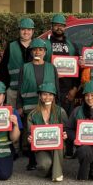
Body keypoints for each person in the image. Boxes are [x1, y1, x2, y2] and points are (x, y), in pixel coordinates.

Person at [17, 38, 59, 169]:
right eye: (35, 49)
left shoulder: (51, 67)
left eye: (41, 50)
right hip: (29, 105)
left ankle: (48, 157)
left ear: (45, 52)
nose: (37, 52)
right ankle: (31, 161)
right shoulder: (25, 67)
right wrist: (19, 106)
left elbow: (56, 88)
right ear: (31, 52)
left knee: (45, 130)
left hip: (47, 105)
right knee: (31, 133)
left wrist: (57, 105)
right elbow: (19, 88)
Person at [28, 83, 68, 182]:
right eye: (44, 94)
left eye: (50, 94)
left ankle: (57, 174)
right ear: (40, 96)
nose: (47, 97)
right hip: (41, 147)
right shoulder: (32, 114)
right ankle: (50, 169)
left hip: (57, 147)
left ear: (54, 96)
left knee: (58, 141)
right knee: (45, 165)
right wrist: (30, 139)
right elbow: (30, 133)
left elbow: (66, 129)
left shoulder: (60, 111)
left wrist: (65, 135)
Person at [0, 17, 39, 108]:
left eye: (29, 29)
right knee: (13, 116)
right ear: (19, 30)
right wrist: (5, 89)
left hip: (33, 92)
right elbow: (3, 69)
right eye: (23, 29)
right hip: (14, 91)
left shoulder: (38, 46)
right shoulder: (11, 46)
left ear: (33, 31)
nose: (26, 32)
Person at [44, 13, 79, 113]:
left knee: (66, 118)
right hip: (49, 90)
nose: (59, 28)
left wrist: (74, 89)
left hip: (67, 91)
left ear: (65, 27)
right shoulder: (44, 45)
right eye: (56, 25)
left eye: (61, 25)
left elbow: (78, 69)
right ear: (51, 27)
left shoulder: (72, 46)